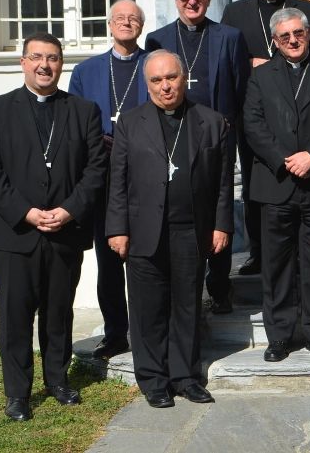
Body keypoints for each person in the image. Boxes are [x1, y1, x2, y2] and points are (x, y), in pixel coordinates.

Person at [0, 32, 107, 421]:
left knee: (58, 312)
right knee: (15, 316)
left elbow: (95, 169)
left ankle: (57, 380)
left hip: (65, 230)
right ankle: (17, 393)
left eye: (52, 58)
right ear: (23, 62)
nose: (44, 65)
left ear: (61, 64)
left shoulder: (83, 111)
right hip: (13, 233)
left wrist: (68, 210)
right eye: (36, 57)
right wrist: (28, 213)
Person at [105, 49, 233, 409]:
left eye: (171, 78)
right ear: (147, 86)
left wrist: (221, 224)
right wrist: (117, 229)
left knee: (187, 307)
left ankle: (186, 376)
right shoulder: (130, 123)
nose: (165, 87)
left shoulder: (210, 121)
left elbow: (223, 182)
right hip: (144, 230)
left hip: (191, 231)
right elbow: (118, 181)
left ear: (184, 78)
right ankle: (153, 379)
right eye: (157, 81)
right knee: (148, 310)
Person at [243, 8, 310, 362]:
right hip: (276, 182)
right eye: (284, 36)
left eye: (298, 34)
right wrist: (284, 159)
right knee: (276, 265)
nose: (292, 40)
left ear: (309, 34)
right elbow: (252, 123)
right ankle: (280, 335)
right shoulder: (261, 76)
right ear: (275, 41)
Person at [221, 0, 310, 276]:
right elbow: (229, 63)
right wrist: (250, 64)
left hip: (305, 111)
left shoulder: (307, 9)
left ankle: (303, 247)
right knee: (258, 182)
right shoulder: (236, 12)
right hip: (255, 113)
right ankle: (258, 250)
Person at [146, 0, 249, 314]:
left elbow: (240, 90)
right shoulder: (158, 39)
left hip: (218, 137)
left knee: (219, 207)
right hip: (173, 138)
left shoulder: (230, 37)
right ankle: (181, 287)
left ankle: (219, 286)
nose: (192, 1)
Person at [67, 0, 149, 361]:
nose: (126, 23)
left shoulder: (154, 64)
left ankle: (149, 330)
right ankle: (116, 332)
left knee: (148, 258)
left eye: (133, 18)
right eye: (120, 18)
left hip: (147, 175)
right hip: (104, 177)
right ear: (109, 24)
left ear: (141, 26)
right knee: (109, 259)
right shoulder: (87, 72)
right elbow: (73, 123)